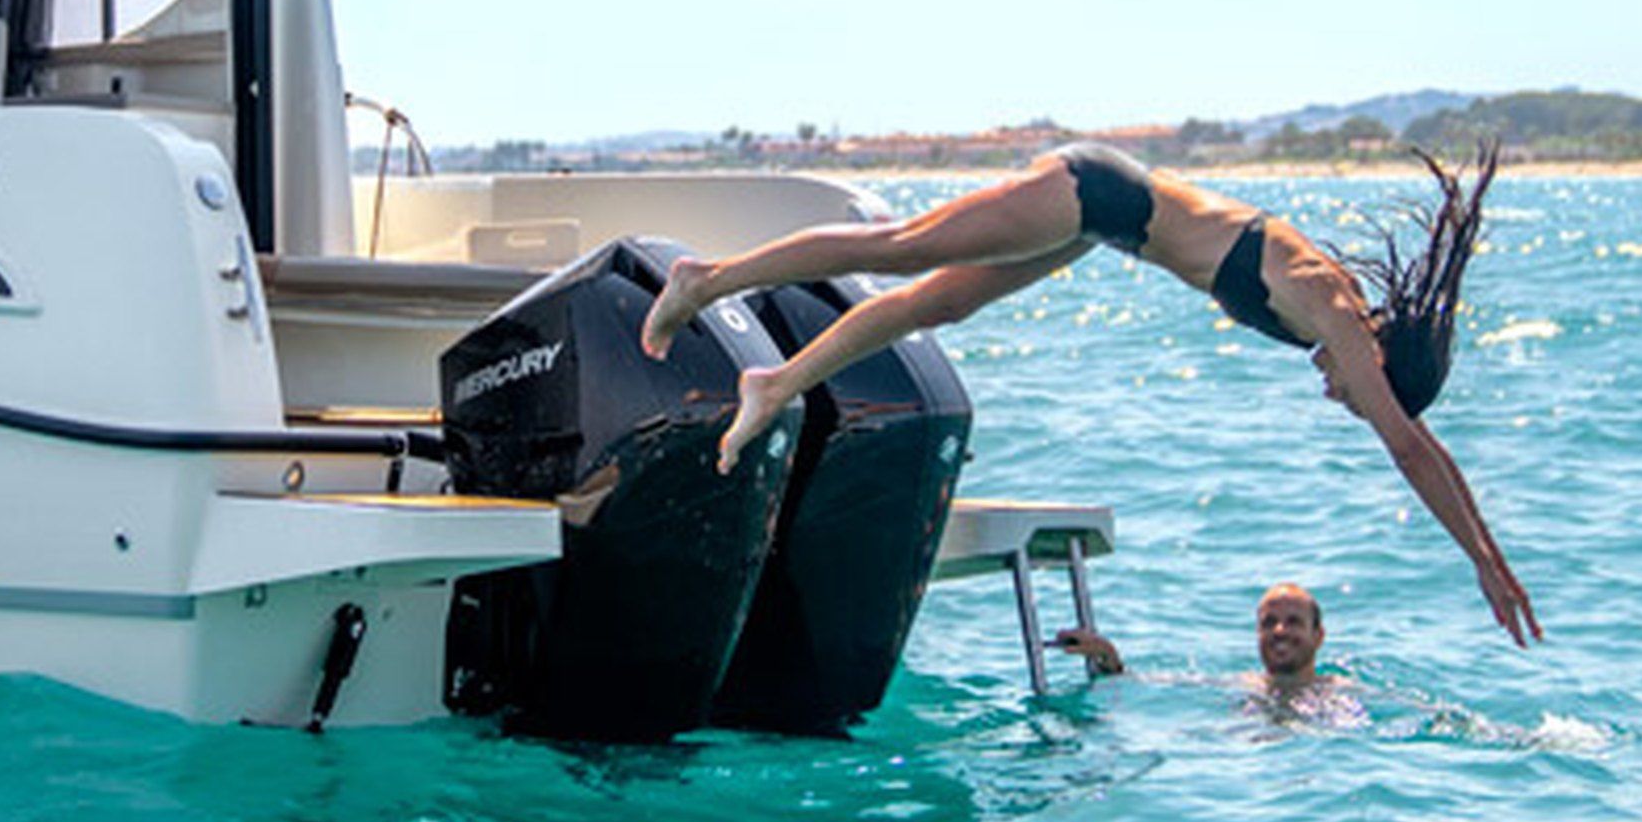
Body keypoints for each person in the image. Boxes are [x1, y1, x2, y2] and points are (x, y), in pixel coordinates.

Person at [637, 142, 1540, 646]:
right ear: (1380, 360)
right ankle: (707, 279)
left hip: (1106, 226)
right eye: (1357, 395)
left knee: (935, 302)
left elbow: (1417, 441)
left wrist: (1487, 552)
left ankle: (777, 381)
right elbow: (1411, 449)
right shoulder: (1339, 310)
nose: (1336, 396)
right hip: (1095, 190)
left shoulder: (1338, 324)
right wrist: (1485, 564)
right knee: (906, 249)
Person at [1052, 581, 1333, 698]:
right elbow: (1149, 683)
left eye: (1293, 622)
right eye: (1269, 623)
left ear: (1318, 637)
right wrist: (1108, 657)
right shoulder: (1240, 687)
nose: (1280, 631)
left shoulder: (1339, 696)